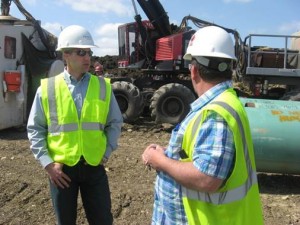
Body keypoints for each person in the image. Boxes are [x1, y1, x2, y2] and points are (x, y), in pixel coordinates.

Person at [142, 26, 264, 225]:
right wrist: (167, 153)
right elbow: (204, 154)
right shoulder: (222, 103)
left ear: (194, 70)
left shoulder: (215, 113)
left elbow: (207, 178)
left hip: (205, 219)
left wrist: (160, 161)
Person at [27, 25, 123, 225]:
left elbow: (114, 123)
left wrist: (106, 152)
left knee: (103, 221)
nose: (87, 57)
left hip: (94, 167)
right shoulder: (48, 88)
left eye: (89, 52)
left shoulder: (103, 86)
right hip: (61, 171)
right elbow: (35, 128)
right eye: (81, 52)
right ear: (66, 54)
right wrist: (47, 164)